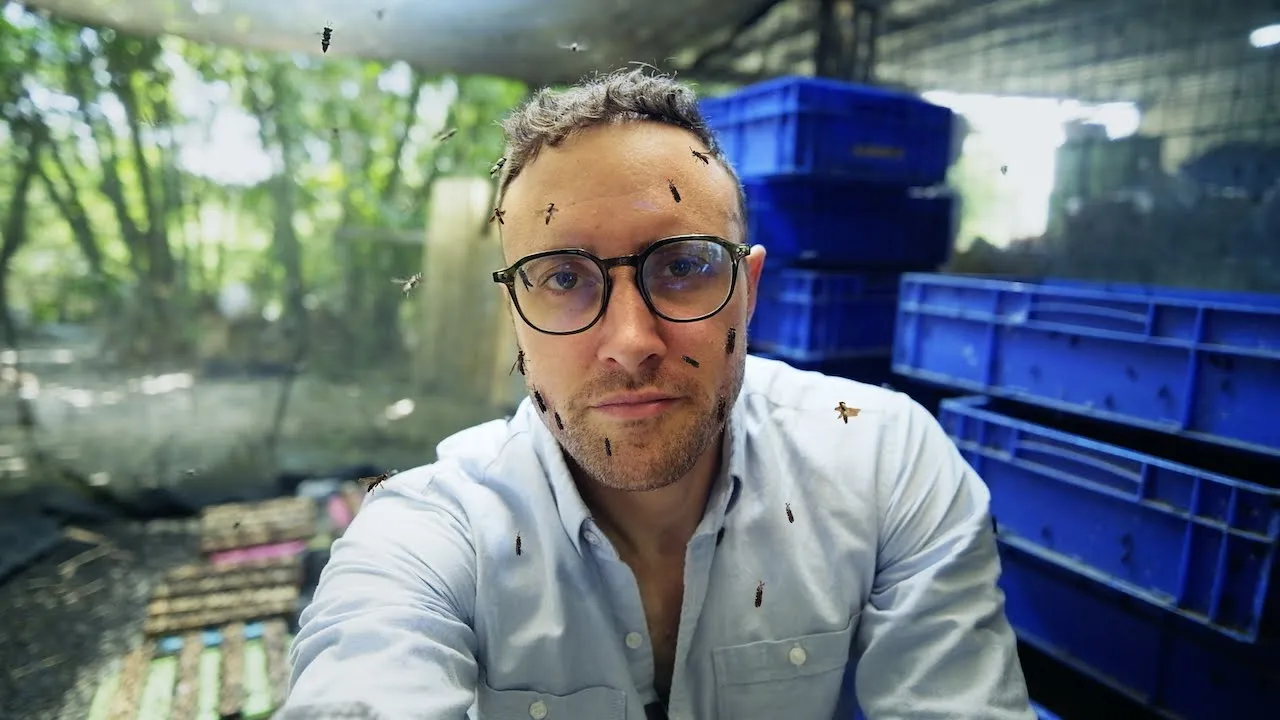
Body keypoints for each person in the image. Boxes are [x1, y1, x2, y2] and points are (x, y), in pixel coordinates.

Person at [282, 68, 1035, 720]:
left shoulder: (882, 458)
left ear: (747, 292)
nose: (631, 340)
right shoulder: (429, 532)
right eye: (564, 278)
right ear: (515, 315)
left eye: (682, 266)